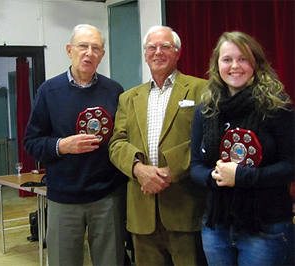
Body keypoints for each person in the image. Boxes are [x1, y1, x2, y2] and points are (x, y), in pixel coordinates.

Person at [24, 24, 127, 266]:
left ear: (102, 55)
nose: (89, 53)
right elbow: (31, 142)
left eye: (96, 48)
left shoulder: (115, 91)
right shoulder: (49, 91)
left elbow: (123, 140)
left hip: (107, 197)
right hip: (63, 199)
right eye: (83, 46)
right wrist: (62, 146)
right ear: (70, 50)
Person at [190, 31, 295, 266]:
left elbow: (291, 166)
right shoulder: (206, 110)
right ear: (217, 65)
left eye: (243, 59)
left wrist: (242, 177)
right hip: (216, 226)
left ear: (256, 64)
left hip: (267, 226)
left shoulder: (277, 106)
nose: (234, 66)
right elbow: (195, 164)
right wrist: (213, 177)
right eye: (227, 59)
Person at [109, 25, 208, 265]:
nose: (158, 52)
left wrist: (169, 171)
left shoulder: (202, 89)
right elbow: (116, 143)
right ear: (145, 54)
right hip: (142, 212)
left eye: (165, 46)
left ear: (178, 52)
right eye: (151, 47)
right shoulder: (128, 97)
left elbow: (206, 140)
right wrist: (138, 169)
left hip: (185, 208)